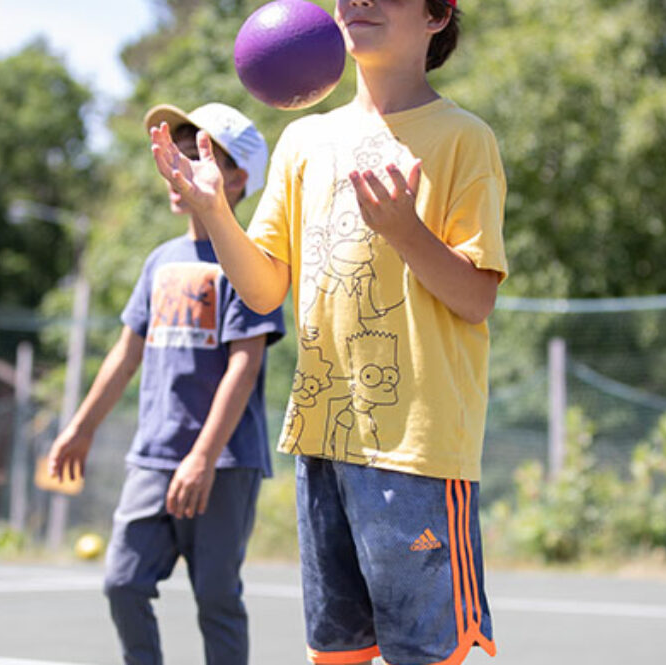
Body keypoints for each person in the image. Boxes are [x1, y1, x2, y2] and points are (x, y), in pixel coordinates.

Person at [149, 1, 506, 663]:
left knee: (423, 654)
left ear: (437, 15)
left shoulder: (464, 138)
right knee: (336, 656)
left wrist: (406, 232)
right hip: (321, 440)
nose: (360, 1)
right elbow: (262, 288)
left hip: (418, 454)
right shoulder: (305, 140)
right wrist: (215, 212)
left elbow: (476, 297)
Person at [48, 102, 285, 665]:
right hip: (152, 459)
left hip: (223, 465)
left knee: (217, 599)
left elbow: (243, 366)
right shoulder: (161, 260)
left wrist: (203, 457)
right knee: (123, 583)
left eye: (197, 155)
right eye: (175, 152)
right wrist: (79, 429)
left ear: (237, 179)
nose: (177, 166)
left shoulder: (250, 262)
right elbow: (126, 353)